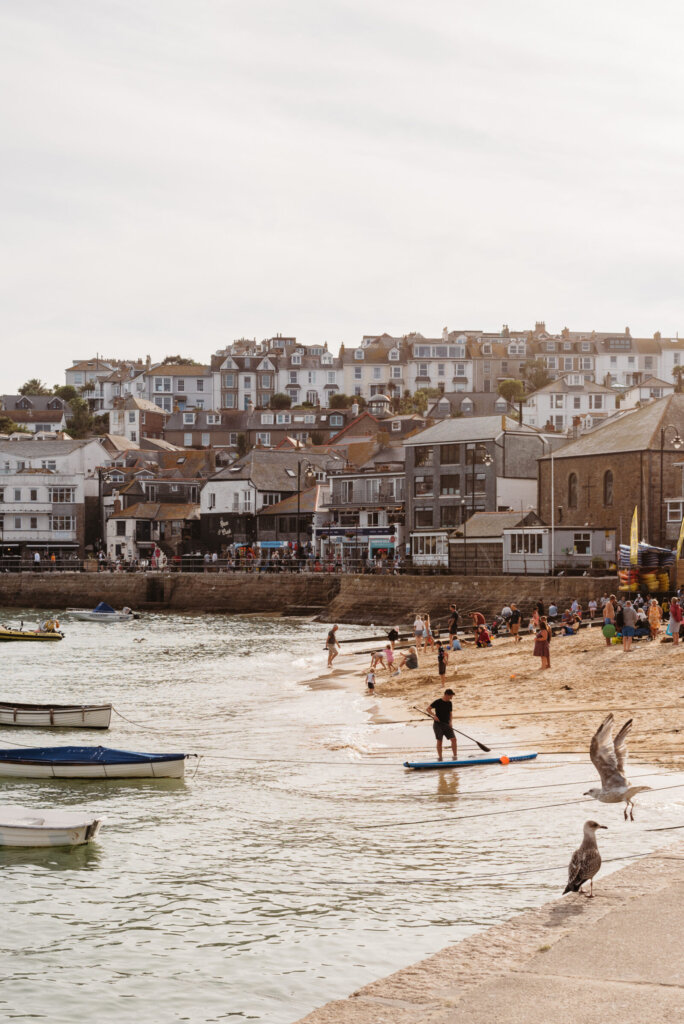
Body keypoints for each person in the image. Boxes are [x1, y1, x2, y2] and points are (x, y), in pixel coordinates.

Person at [426, 688, 457, 761]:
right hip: (438, 725)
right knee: (440, 741)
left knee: (454, 739)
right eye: (450, 696)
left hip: (447, 724)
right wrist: (434, 716)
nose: (451, 697)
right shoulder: (438, 702)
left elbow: (450, 713)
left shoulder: (449, 703)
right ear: (446, 695)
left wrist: (450, 722)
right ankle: (440, 758)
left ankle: (455, 756)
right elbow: (428, 709)